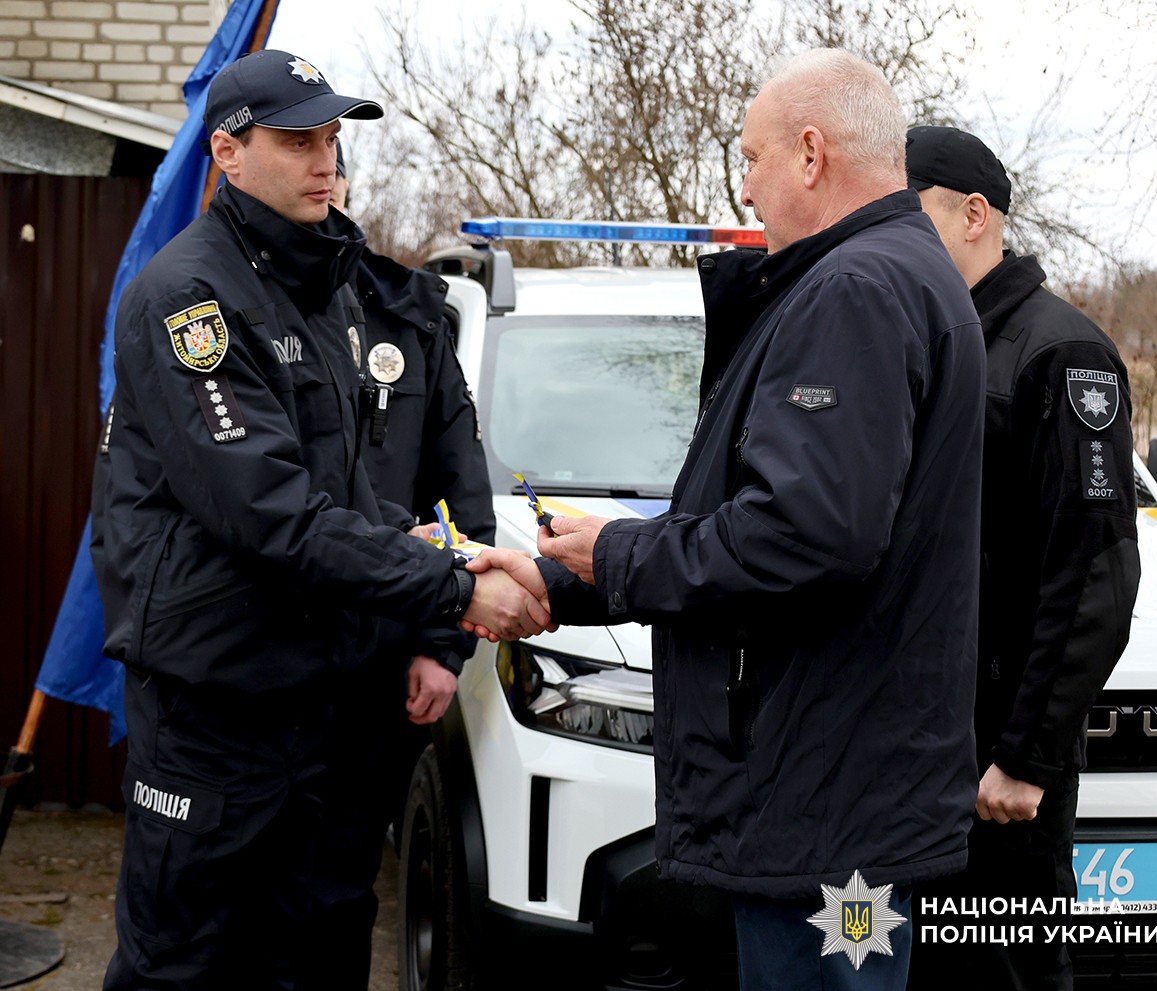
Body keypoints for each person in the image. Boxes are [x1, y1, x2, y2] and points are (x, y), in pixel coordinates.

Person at [466, 49, 986, 991]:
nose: (744, 188)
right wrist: (570, 575)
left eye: (751, 159)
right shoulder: (891, 275)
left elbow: (803, 537)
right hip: (838, 792)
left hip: (826, 811)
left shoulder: (856, 291)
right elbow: (759, 516)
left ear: (812, 154)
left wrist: (618, 553)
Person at [90, 49, 548, 990]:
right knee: (185, 964)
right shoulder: (189, 299)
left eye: (332, 139)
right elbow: (272, 513)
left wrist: (432, 604)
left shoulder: (337, 291)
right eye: (298, 141)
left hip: (332, 705)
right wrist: (454, 587)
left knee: (321, 950)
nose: (325, 160)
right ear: (228, 152)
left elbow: (373, 488)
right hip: (217, 710)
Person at [903, 125, 1140, 990]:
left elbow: (1095, 574)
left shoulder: (1061, 354)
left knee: (1010, 974)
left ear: (975, 215)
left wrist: (1026, 756)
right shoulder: (926, 338)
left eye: (911, 215)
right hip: (917, 752)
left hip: (999, 768)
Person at [318, 141, 498, 987]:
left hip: (371, 669)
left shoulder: (411, 316)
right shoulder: (224, 306)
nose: (318, 179)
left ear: (344, 184)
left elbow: (462, 498)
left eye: (329, 161)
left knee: (336, 899)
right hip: (250, 670)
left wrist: (441, 643)